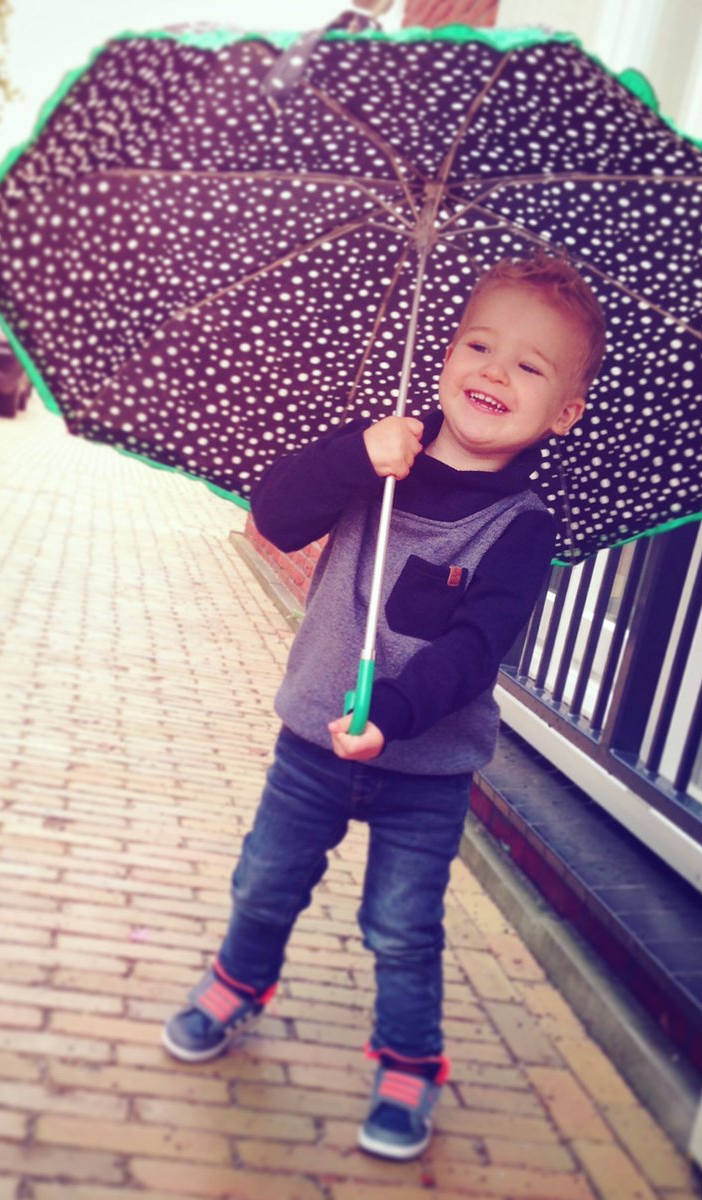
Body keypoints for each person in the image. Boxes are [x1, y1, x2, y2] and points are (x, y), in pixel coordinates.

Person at [161, 252, 606, 1161]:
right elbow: (275, 519)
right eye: (478, 345)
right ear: (441, 355)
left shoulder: (522, 528)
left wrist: (395, 715)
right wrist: (351, 455)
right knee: (266, 880)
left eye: (529, 365)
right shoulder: (378, 459)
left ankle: (409, 1059)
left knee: (403, 923)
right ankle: (238, 982)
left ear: (563, 412)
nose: (493, 370)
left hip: (424, 771)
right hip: (312, 744)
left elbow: (476, 650)